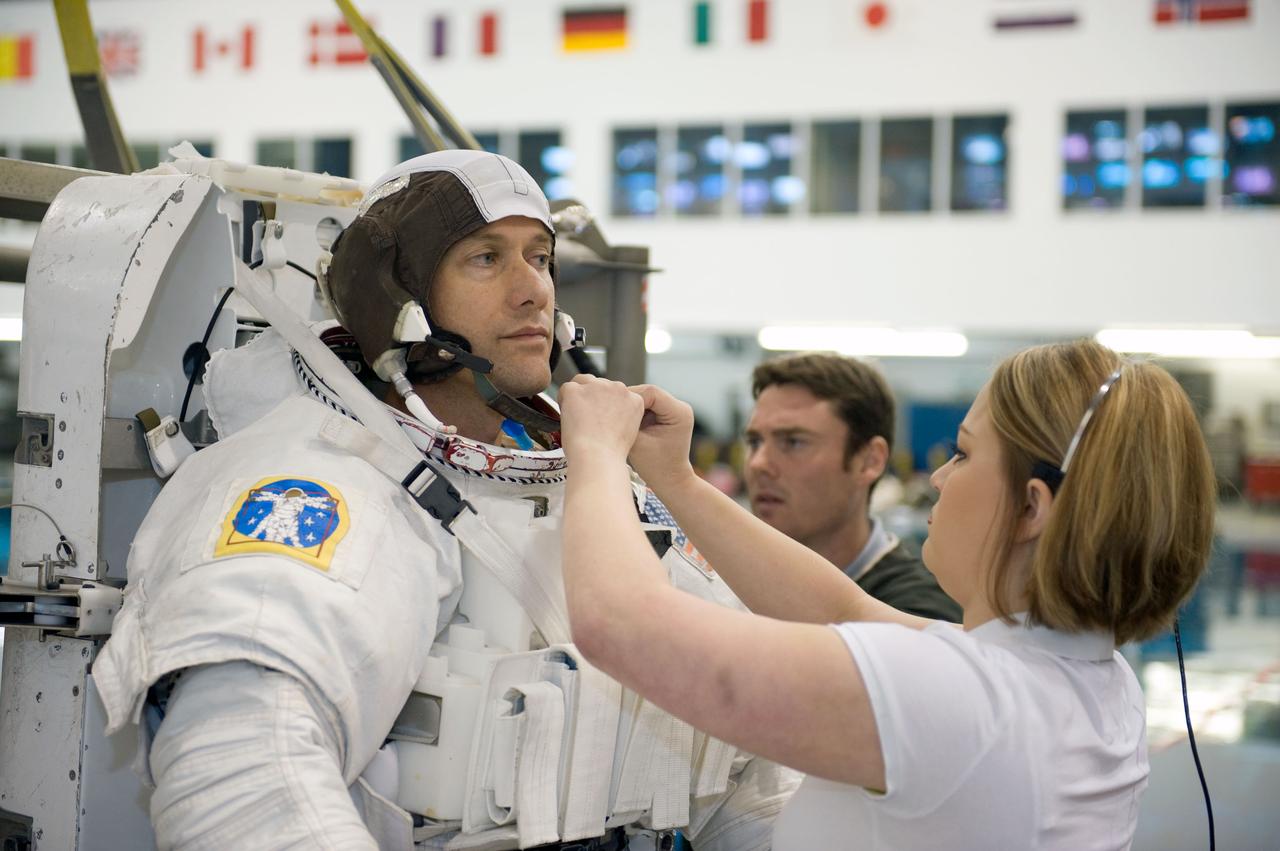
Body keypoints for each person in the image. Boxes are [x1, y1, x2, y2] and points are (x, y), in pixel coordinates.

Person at [94, 150, 798, 851]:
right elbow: (242, 779)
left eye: (540, 256)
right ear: (395, 297)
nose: (534, 291)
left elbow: (745, 750)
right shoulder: (324, 483)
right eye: (486, 259)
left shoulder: (596, 477)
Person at [558, 339, 1216, 849]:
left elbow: (623, 623)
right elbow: (845, 611)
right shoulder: (1089, 679)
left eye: (961, 453)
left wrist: (593, 450)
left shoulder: (964, 700)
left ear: (1031, 507)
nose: (937, 477)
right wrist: (676, 478)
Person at [745, 353, 961, 620]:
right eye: (754, 442)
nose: (758, 463)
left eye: (793, 442)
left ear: (869, 461)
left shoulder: (920, 615)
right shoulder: (729, 580)